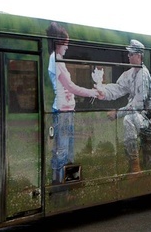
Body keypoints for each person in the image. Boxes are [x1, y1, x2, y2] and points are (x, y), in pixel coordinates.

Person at [97, 39, 151, 172]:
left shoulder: (143, 75)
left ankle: (136, 166)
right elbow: (118, 88)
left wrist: (117, 113)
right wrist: (103, 92)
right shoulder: (130, 73)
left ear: (139, 56)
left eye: (131, 54)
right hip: (142, 118)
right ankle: (136, 163)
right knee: (150, 162)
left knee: (129, 119)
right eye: (128, 54)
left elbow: (137, 105)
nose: (128, 56)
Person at [46, 22, 99, 184]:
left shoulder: (57, 59)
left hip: (66, 111)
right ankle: (59, 185)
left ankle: (67, 183)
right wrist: (91, 92)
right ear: (59, 43)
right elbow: (70, 87)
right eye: (66, 44)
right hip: (63, 112)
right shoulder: (56, 60)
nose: (67, 48)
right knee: (62, 151)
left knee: (67, 151)